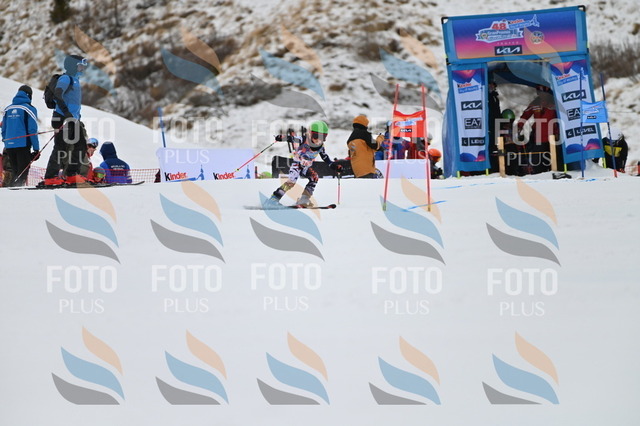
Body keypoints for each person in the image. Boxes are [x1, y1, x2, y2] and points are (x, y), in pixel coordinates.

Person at [268, 120, 342, 207]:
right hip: (297, 165)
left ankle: (304, 200)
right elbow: (291, 138)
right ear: (310, 134)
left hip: (306, 167)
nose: (318, 140)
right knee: (291, 182)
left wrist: (334, 166)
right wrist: (282, 137)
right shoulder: (303, 139)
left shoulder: (321, 147)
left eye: (322, 137)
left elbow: (326, 158)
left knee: (314, 178)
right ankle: (274, 199)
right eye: (316, 136)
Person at [42, 54, 88, 186]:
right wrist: (66, 113)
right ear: (73, 66)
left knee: (81, 145)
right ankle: (50, 177)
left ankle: (71, 175)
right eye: (80, 66)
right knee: (60, 147)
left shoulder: (76, 80)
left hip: (73, 119)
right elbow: (57, 94)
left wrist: (76, 117)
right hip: (62, 117)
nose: (82, 68)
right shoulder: (66, 78)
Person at [1, 85, 39, 186]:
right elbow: (32, 130)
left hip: (9, 146)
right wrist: (36, 149)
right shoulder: (29, 109)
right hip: (22, 145)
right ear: (29, 95)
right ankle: (17, 191)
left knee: (15, 171)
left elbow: (3, 129)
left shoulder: (8, 109)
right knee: (22, 173)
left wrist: (6, 141)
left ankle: (12, 190)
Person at [516, 85, 559, 174]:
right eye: (539, 92)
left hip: (552, 136)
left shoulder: (554, 103)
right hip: (538, 137)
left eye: (543, 93)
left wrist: (557, 133)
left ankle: (555, 173)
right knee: (538, 160)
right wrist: (520, 126)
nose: (541, 94)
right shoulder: (535, 103)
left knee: (553, 159)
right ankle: (538, 175)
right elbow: (525, 115)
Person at [488, 81, 502, 173]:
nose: (492, 86)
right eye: (490, 84)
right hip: (489, 126)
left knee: (496, 147)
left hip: (495, 126)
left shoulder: (495, 97)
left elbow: (497, 112)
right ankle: (491, 168)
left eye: (493, 85)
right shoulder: (486, 96)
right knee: (490, 147)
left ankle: (496, 168)